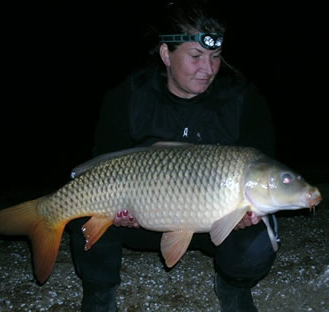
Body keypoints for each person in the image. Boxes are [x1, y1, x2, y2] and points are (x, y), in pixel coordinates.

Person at [67, 1, 278, 311]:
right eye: (196, 57)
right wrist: (118, 209)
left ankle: (234, 286)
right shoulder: (128, 96)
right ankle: (99, 292)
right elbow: (102, 163)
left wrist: (248, 215)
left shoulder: (243, 100)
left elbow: (262, 168)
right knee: (82, 206)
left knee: (259, 239)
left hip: (218, 221)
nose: (208, 69)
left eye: (215, 57)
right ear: (167, 55)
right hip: (142, 219)